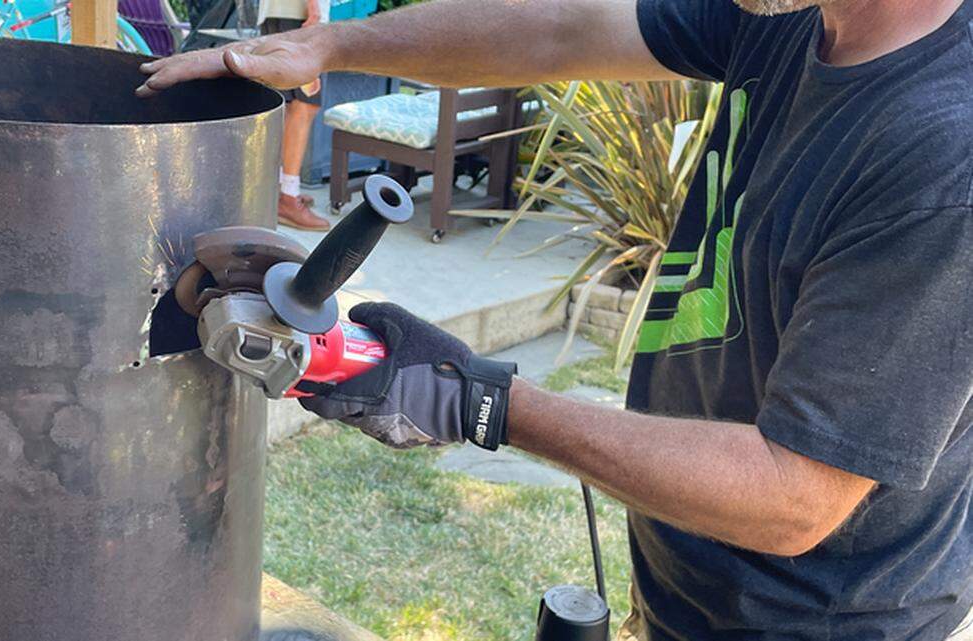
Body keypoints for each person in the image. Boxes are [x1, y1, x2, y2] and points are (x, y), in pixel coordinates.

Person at [137, 1, 973, 639]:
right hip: (692, 569)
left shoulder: (942, 154)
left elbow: (795, 495)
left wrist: (482, 400)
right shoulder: (797, 18)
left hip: (825, 616)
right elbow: (555, 30)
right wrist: (335, 45)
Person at [256, 0, 332, 231]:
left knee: (290, 104)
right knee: (304, 104)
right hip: (298, 15)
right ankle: (288, 198)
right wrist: (314, 9)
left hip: (286, 13)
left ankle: (281, 188)